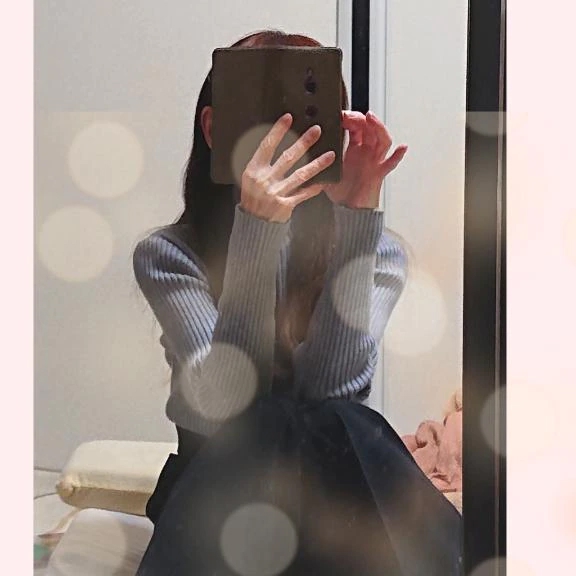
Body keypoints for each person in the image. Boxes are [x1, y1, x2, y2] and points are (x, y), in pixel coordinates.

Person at [134, 29, 462, 576]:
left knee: (341, 418)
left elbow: (333, 393)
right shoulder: (169, 256)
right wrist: (257, 230)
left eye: (305, 120)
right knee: (270, 422)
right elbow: (230, 408)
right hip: (213, 489)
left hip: (328, 497)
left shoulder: (376, 252)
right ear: (214, 129)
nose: (283, 139)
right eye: (264, 117)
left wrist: (358, 217)